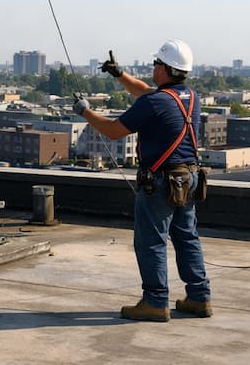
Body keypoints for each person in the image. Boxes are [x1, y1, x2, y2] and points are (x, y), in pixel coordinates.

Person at [75, 39, 212, 322]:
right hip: (188, 178)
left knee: (151, 242)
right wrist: (119, 75)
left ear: (166, 69)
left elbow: (113, 131)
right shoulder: (188, 97)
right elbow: (146, 93)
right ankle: (199, 298)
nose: (153, 67)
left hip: (161, 182)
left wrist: (85, 112)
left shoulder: (156, 102)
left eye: (156, 63)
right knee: (187, 238)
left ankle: (155, 302)